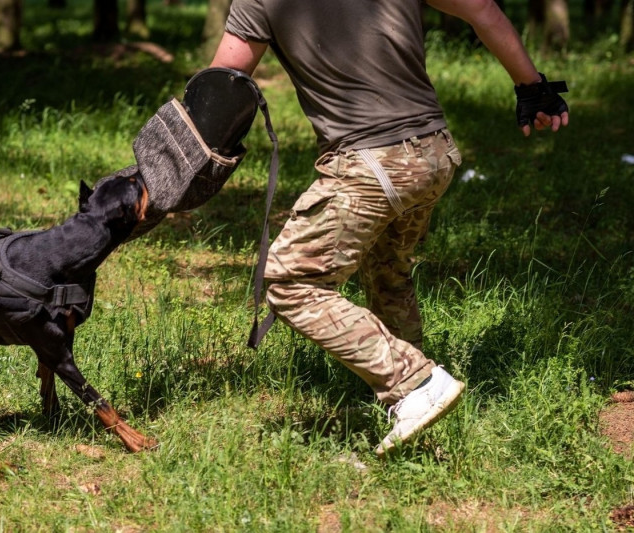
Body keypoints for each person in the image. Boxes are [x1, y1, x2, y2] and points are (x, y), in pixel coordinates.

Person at [209, 0, 569, 456]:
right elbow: (483, 9)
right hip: (435, 154)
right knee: (387, 271)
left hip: (372, 166)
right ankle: (417, 406)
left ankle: (414, 383)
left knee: (291, 281)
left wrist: (175, 161)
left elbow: (224, 85)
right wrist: (532, 88)